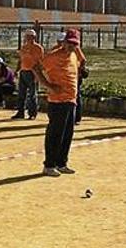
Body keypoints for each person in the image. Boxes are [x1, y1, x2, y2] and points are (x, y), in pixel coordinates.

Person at [33, 29, 81, 177]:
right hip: (57, 101)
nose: (72, 46)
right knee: (55, 134)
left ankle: (61, 163)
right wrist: (48, 85)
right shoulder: (53, 56)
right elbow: (36, 68)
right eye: (70, 43)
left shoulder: (74, 55)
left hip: (71, 100)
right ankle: (49, 165)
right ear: (64, 42)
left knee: (67, 134)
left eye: (75, 44)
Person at [12, 29, 44, 120]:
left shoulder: (38, 48)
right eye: (26, 36)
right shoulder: (24, 47)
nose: (27, 38)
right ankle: (20, 112)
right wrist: (17, 70)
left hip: (32, 72)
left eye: (29, 36)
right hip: (24, 71)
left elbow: (40, 63)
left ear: (34, 37)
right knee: (21, 93)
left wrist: (38, 75)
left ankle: (32, 113)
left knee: (32, 94)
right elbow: (20, 60)